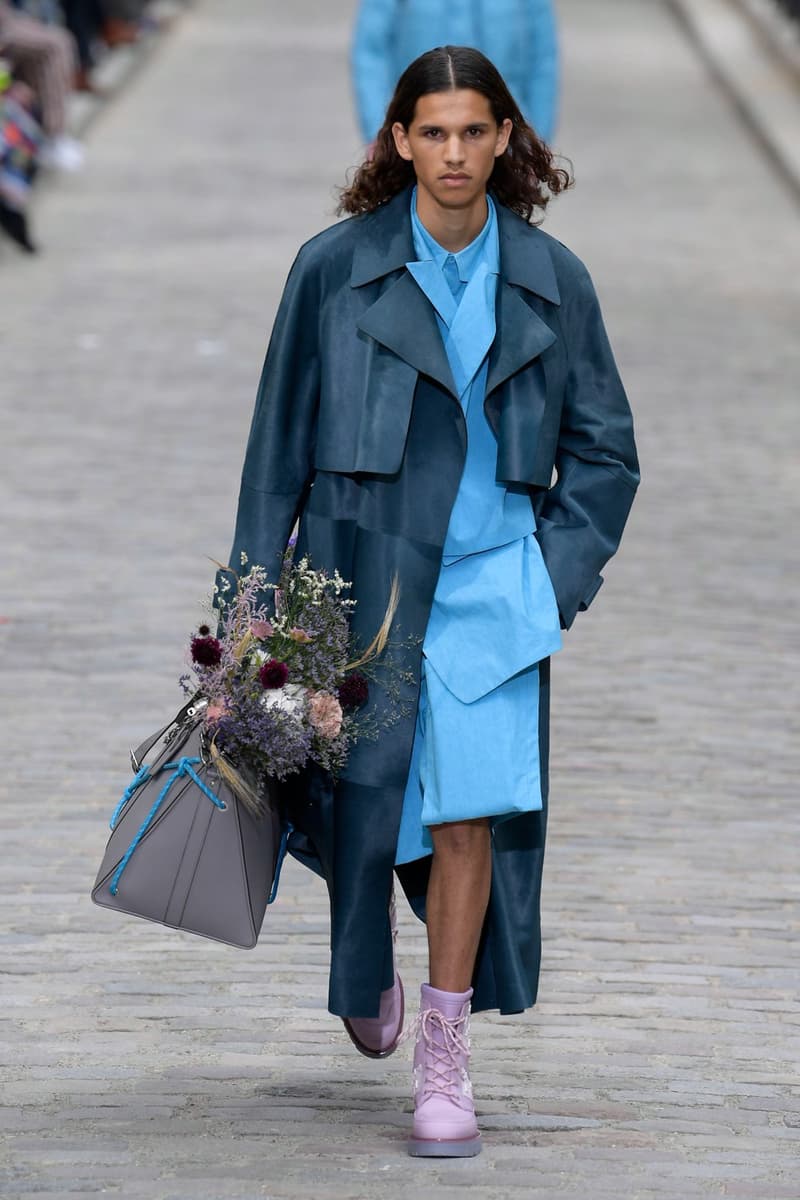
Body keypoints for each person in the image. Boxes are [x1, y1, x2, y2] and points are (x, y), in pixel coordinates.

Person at [221, 46, 638, 1157]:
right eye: (432, 132)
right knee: (362, 811)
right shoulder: (332, 271)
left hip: (496, 590)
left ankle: (444, 1057)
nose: (453, 154)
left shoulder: (553, 280)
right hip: (363, 594)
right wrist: (251, 617)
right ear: (397, 141)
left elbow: (604, 454)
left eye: (473, 131)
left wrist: (549, 581)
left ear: (504, 137)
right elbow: (275, 458)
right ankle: (365, 980)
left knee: (466, 823)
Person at [351, 0, 559, 145]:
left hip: (507, 133)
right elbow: (372, 51)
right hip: (421, 130)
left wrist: (537, 136)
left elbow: (542, 56)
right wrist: (379, 133)